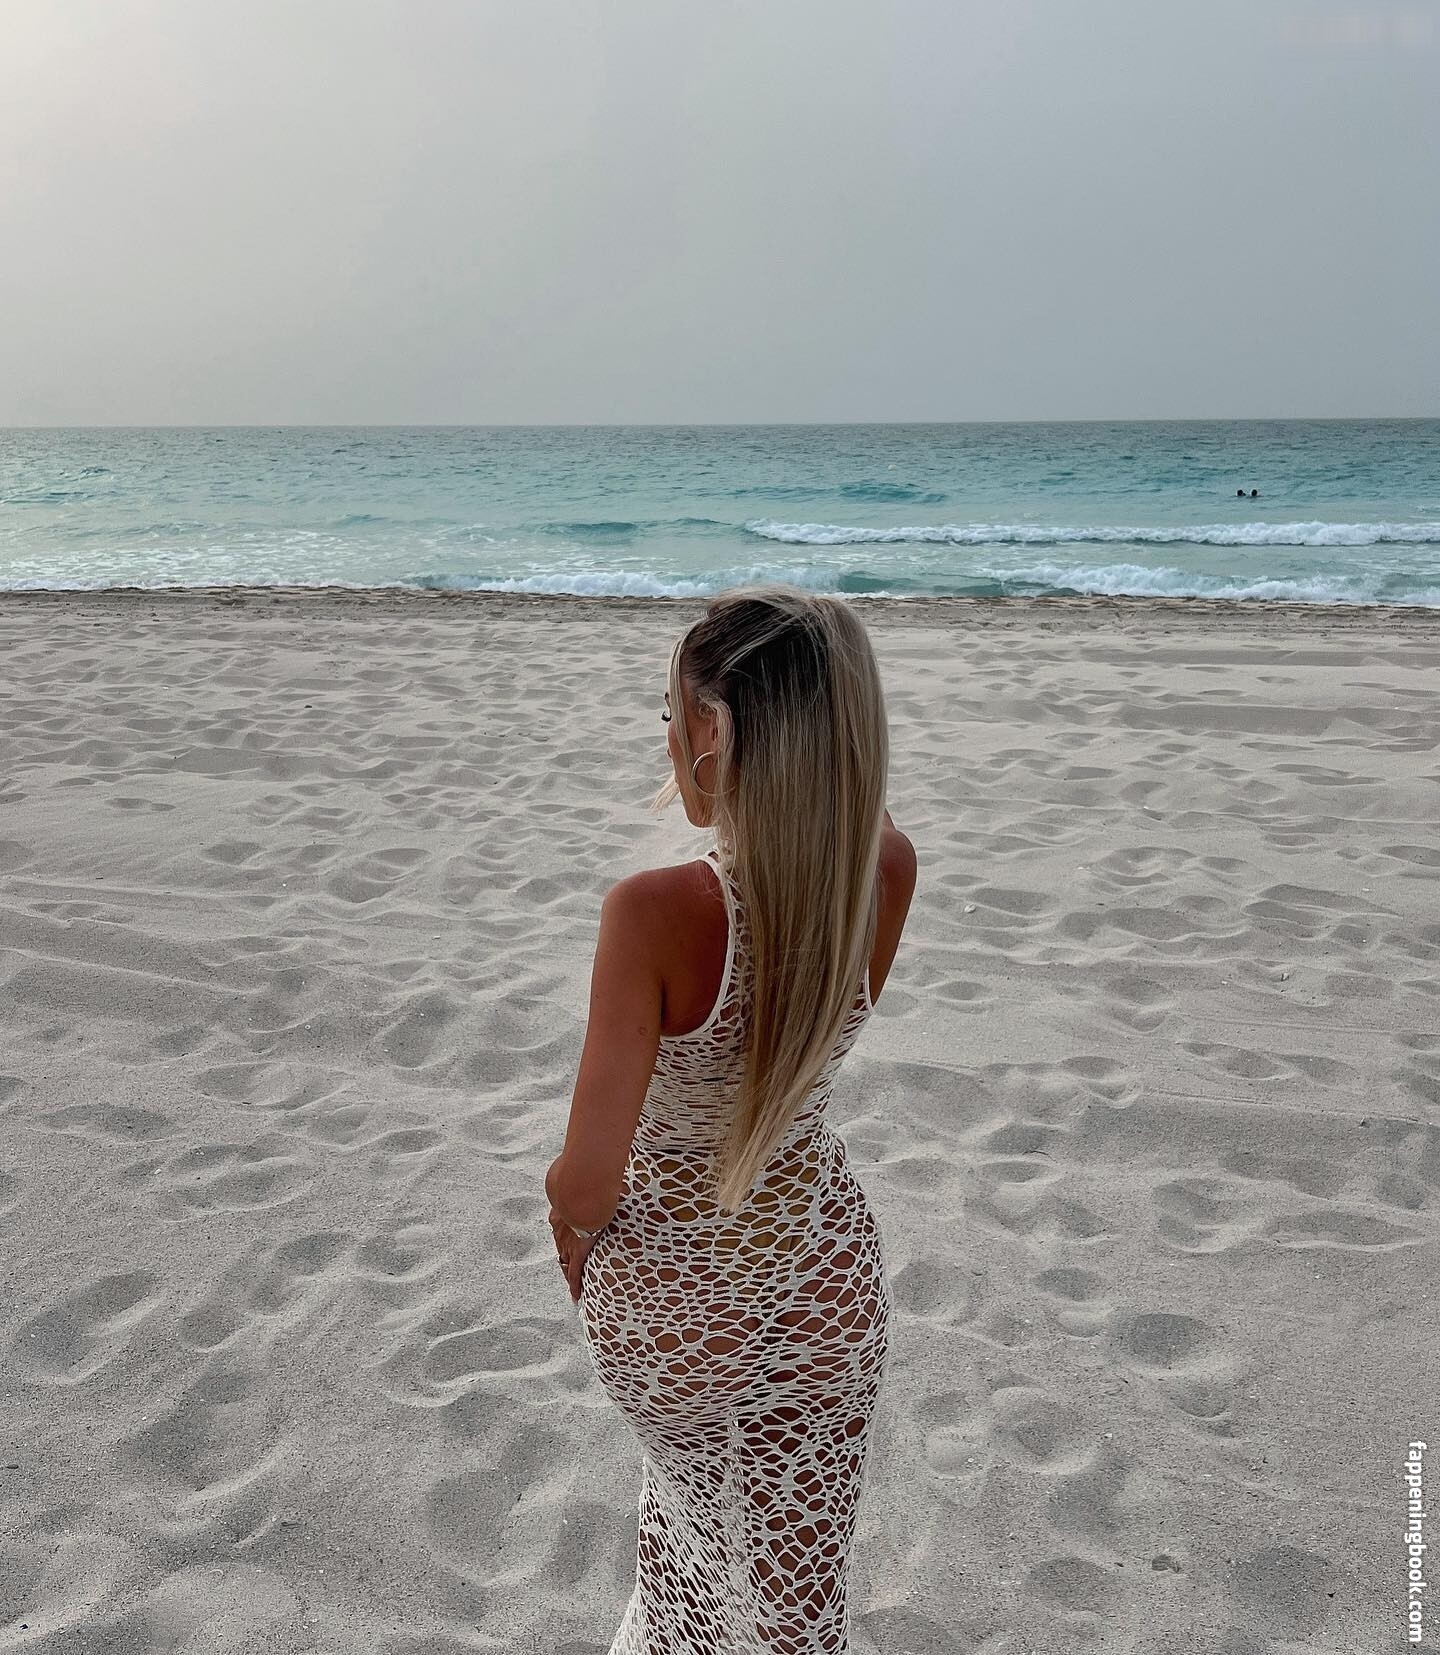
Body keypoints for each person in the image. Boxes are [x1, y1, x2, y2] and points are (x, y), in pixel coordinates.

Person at [545, 584, 917, 1654]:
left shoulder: (655, 913)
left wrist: (568, 1227)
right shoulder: (884, 868)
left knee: (687, 1551)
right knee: (798, 1606)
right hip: (823, 1271)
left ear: (715, 730)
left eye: (673, 713)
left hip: (681, 1294)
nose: (667, 737)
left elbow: (589, 1176)